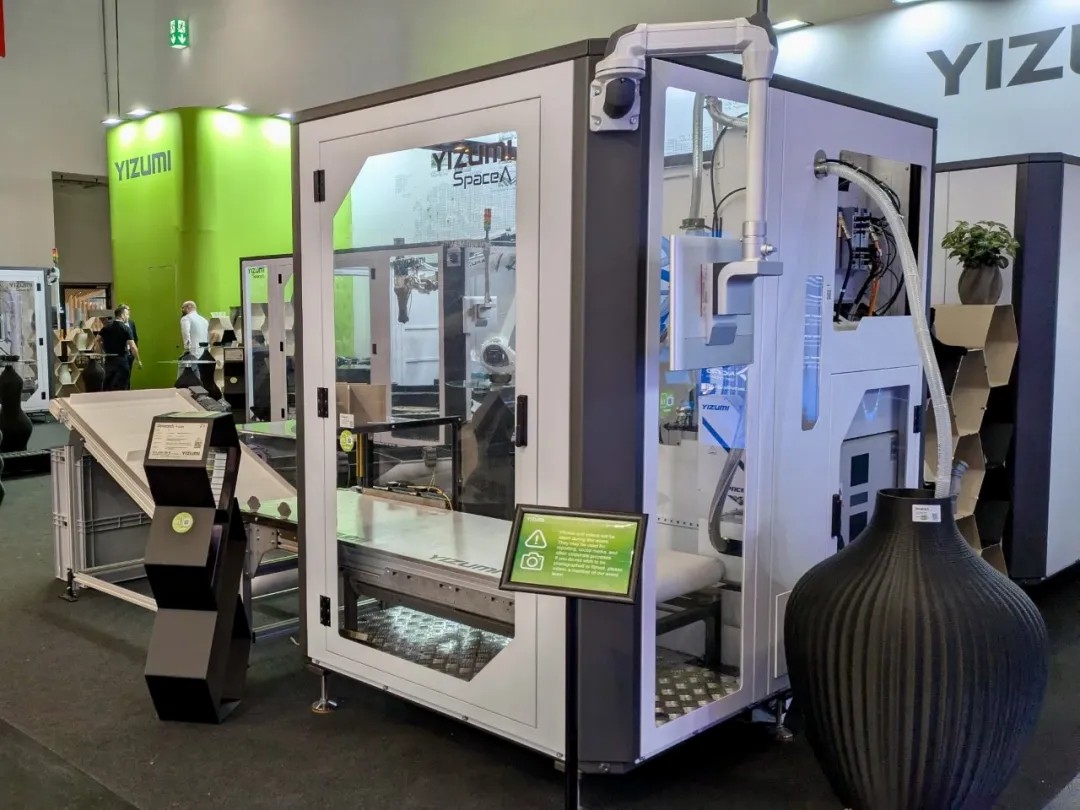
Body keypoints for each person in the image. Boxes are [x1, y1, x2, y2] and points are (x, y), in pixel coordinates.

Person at [99, 304, 141, 391]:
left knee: (109, 383)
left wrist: (102, 350)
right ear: (122, 315)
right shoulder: (125, 328)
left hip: (109, 358)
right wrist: (138, 360)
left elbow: (97, 340)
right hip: (121, 359)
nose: (128, 316)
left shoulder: (107, 327)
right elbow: (133, 346)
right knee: (122, 384)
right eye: (127, 314)